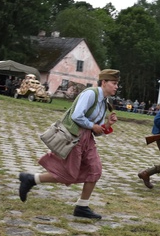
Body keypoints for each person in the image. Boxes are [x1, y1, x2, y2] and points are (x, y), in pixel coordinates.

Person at [17, 69, 120, 219]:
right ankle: (31, 179)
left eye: (117, 84)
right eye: (114, 83)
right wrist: (92, 126)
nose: (116, 87)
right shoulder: (91, 94)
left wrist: (107, 124)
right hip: (74, 137)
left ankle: (82, 206)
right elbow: (76, 115)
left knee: (95, 170)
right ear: (104, 82)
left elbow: (97, 130)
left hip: (87, 140)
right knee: (68, 175)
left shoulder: (104, 103)